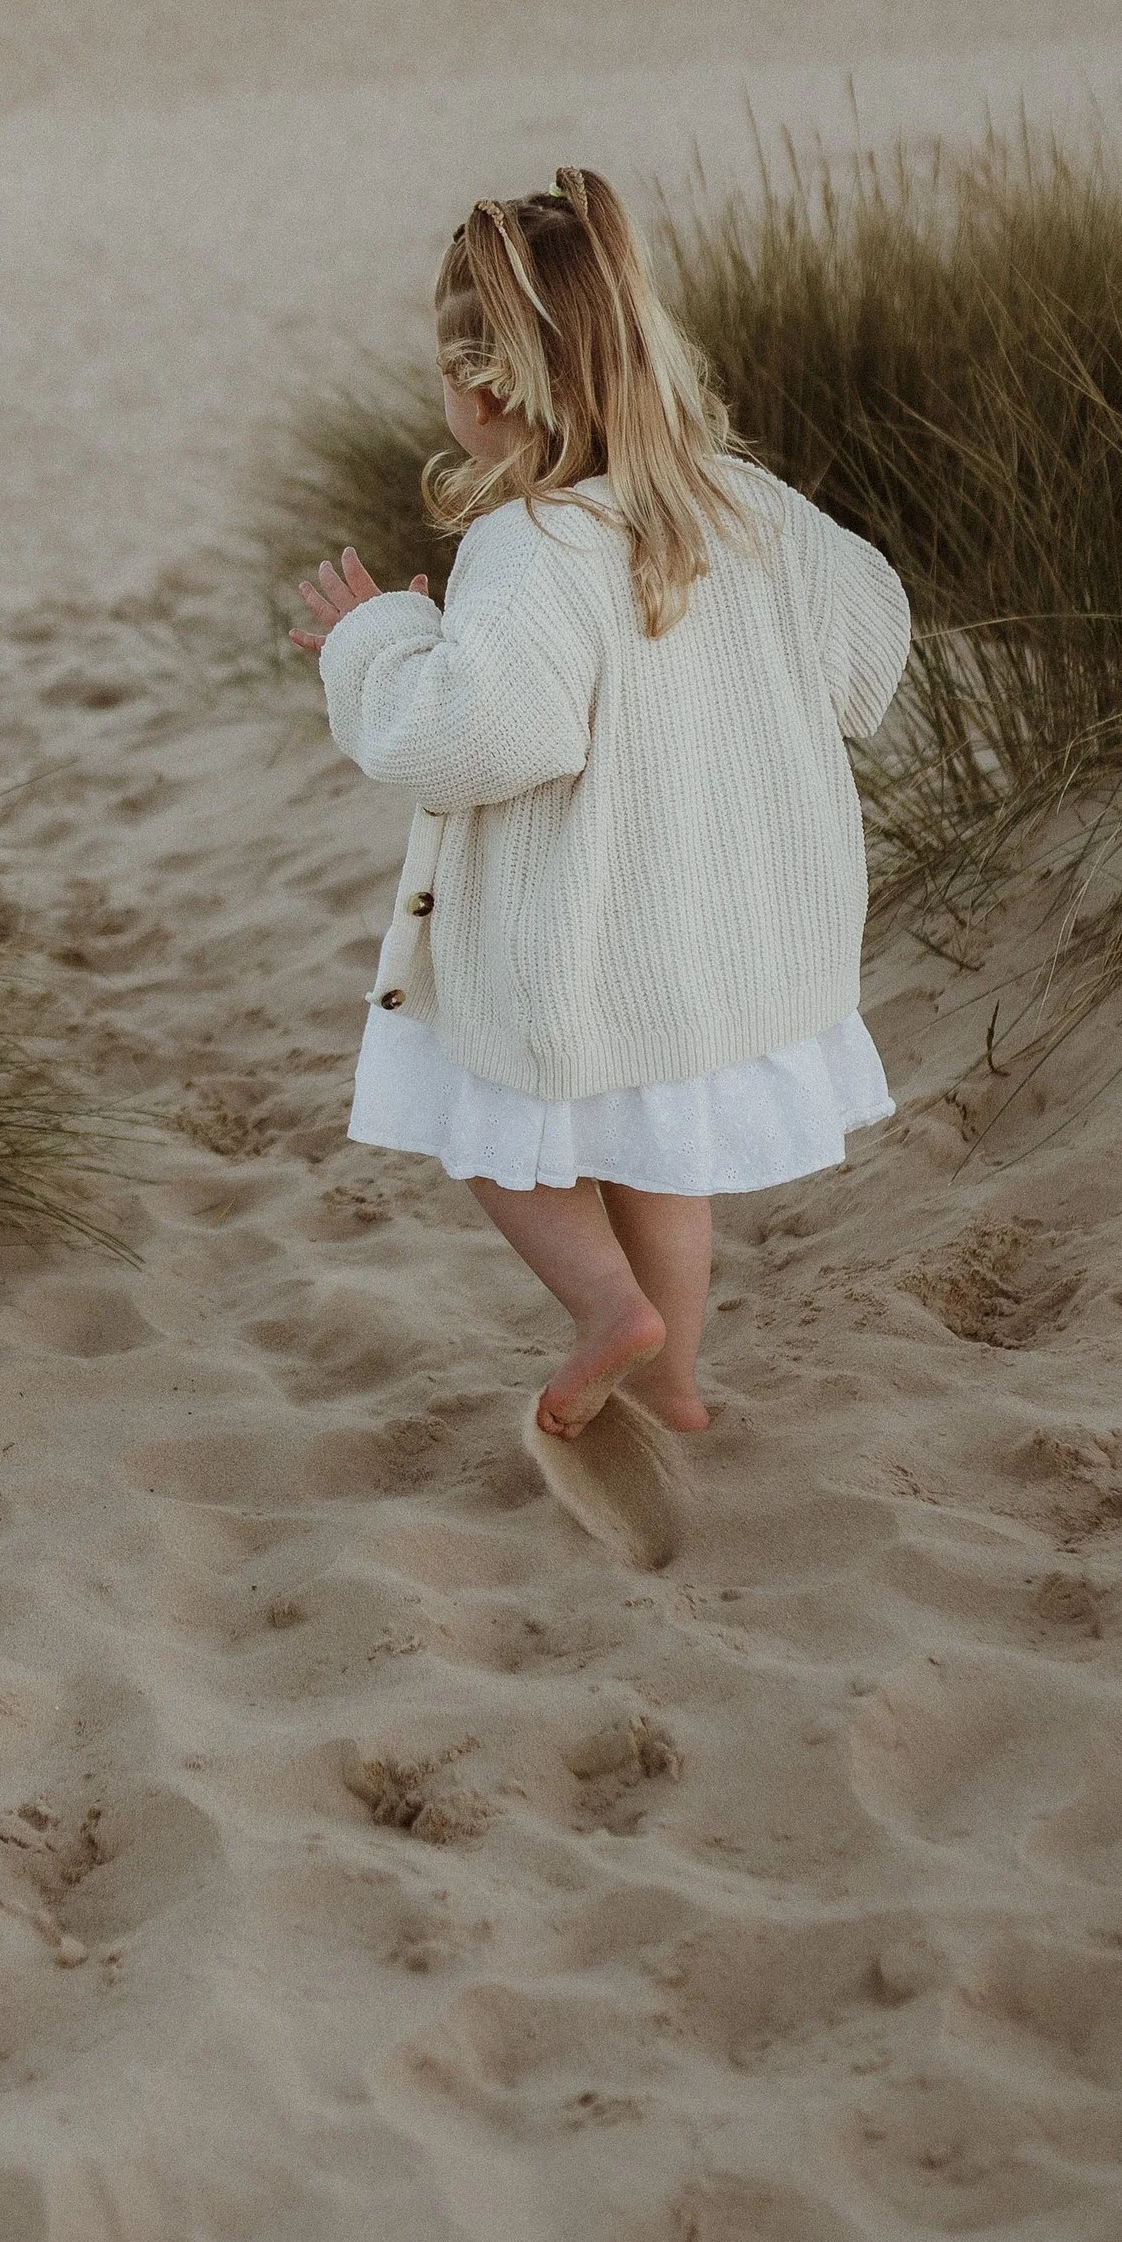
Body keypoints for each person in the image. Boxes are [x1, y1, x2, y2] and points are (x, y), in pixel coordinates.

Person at [290, 168, 911, 1444]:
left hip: (579, 935)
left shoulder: (533, 546)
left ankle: (604, 1313)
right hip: (702, 933)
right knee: (659, 1163)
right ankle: (674, 1387)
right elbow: (867, 653)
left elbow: (469, 736)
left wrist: (377, 639)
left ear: (480, 390)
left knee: (475, 1116)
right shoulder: (752, 508)